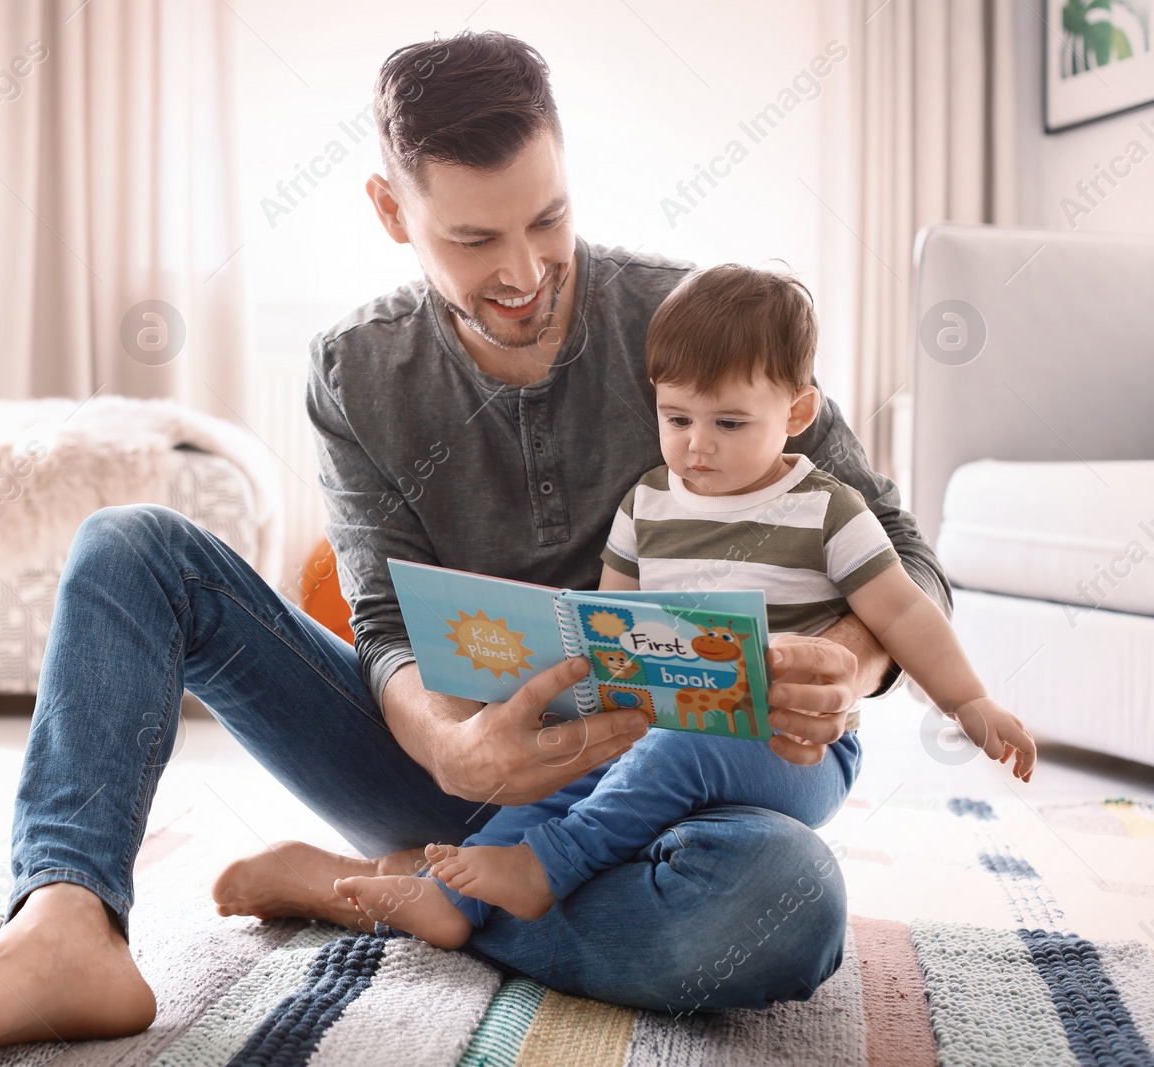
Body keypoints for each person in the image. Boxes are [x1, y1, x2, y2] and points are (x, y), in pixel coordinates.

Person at [0, 31, 957, 1066]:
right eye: (474, 239)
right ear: (391, 209)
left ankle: (382, 888)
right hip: (451, 768)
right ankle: (65, 925)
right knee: (132, 547)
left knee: (786, 905)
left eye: (548, 219)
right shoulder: (357, 369)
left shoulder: (693, 321)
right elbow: (379, 621)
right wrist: (448, 748)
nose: (525, 272)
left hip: (667, 793)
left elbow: (902, 547)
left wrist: (854, 659)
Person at [330, 263, 1038, 951]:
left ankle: (548, 867)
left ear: (796, 411)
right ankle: (455, 898)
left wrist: (969, 700)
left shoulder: (828, 508)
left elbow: (904, 613)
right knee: (573, 757)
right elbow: (607, 632)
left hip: (798, 750)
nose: (697, 445)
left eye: (729, 422)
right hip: (656, 727)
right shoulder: (645, 506)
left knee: (687, 743)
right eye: (677, 417)